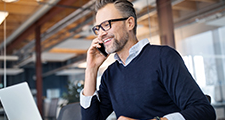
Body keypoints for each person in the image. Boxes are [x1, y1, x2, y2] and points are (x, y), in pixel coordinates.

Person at [80, 0, 216, 120]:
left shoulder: (163, 57)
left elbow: (204, 111)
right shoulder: (110, 75)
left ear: (129, 23)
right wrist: (91, 69)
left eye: (107, 24)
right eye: (98, 28)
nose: (101, 34)